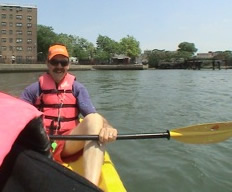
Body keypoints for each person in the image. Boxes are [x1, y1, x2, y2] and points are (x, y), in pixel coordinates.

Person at [20, 43, 118, 186]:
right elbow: (18, 115)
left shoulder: (77, 88)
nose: (59, 66)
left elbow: (92, 114)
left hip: (68, 143)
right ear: (47, 63)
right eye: (55, 62)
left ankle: (89, 186)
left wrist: (107, 127)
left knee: (95, 119)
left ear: (68, 65)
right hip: (41, 141)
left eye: (63, 62)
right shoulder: (33, 90)